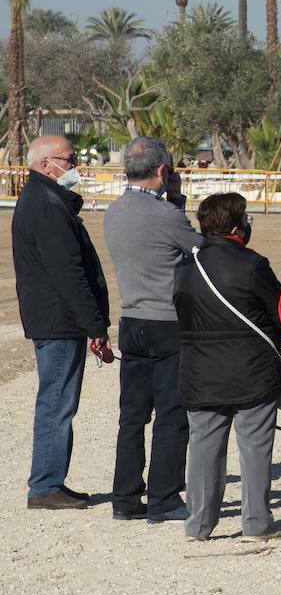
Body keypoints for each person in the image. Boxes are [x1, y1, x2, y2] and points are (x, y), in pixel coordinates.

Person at [174, 193, 281, 542]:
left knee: (204, 448)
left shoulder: (184, 267)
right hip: (252, 368)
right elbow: (280, 312)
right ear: (238, 227)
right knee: (254, 446)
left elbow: (182, 311)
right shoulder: (253, 265)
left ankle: (198, 525)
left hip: (200, 370)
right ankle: (256, 524)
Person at [103, 137, 202, 523]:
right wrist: (177, 201)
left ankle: (125, 498)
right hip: (168, 323)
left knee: (132, 416)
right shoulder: (166, 215)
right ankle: (163, 497)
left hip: (132, 320)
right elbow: (199, 250)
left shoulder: (114, 213)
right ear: (163, 171)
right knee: (171, 415)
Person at [14, 136, 110, 511]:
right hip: (58, 321)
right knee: (56, 403)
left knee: (58, 402)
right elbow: (68, 273)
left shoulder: (45, 199)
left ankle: (51, 480)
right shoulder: (49, 205)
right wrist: (95, 326)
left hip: (55, 318)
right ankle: (45, 485)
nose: (74, 169)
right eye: (69, 161)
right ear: (45, 164)